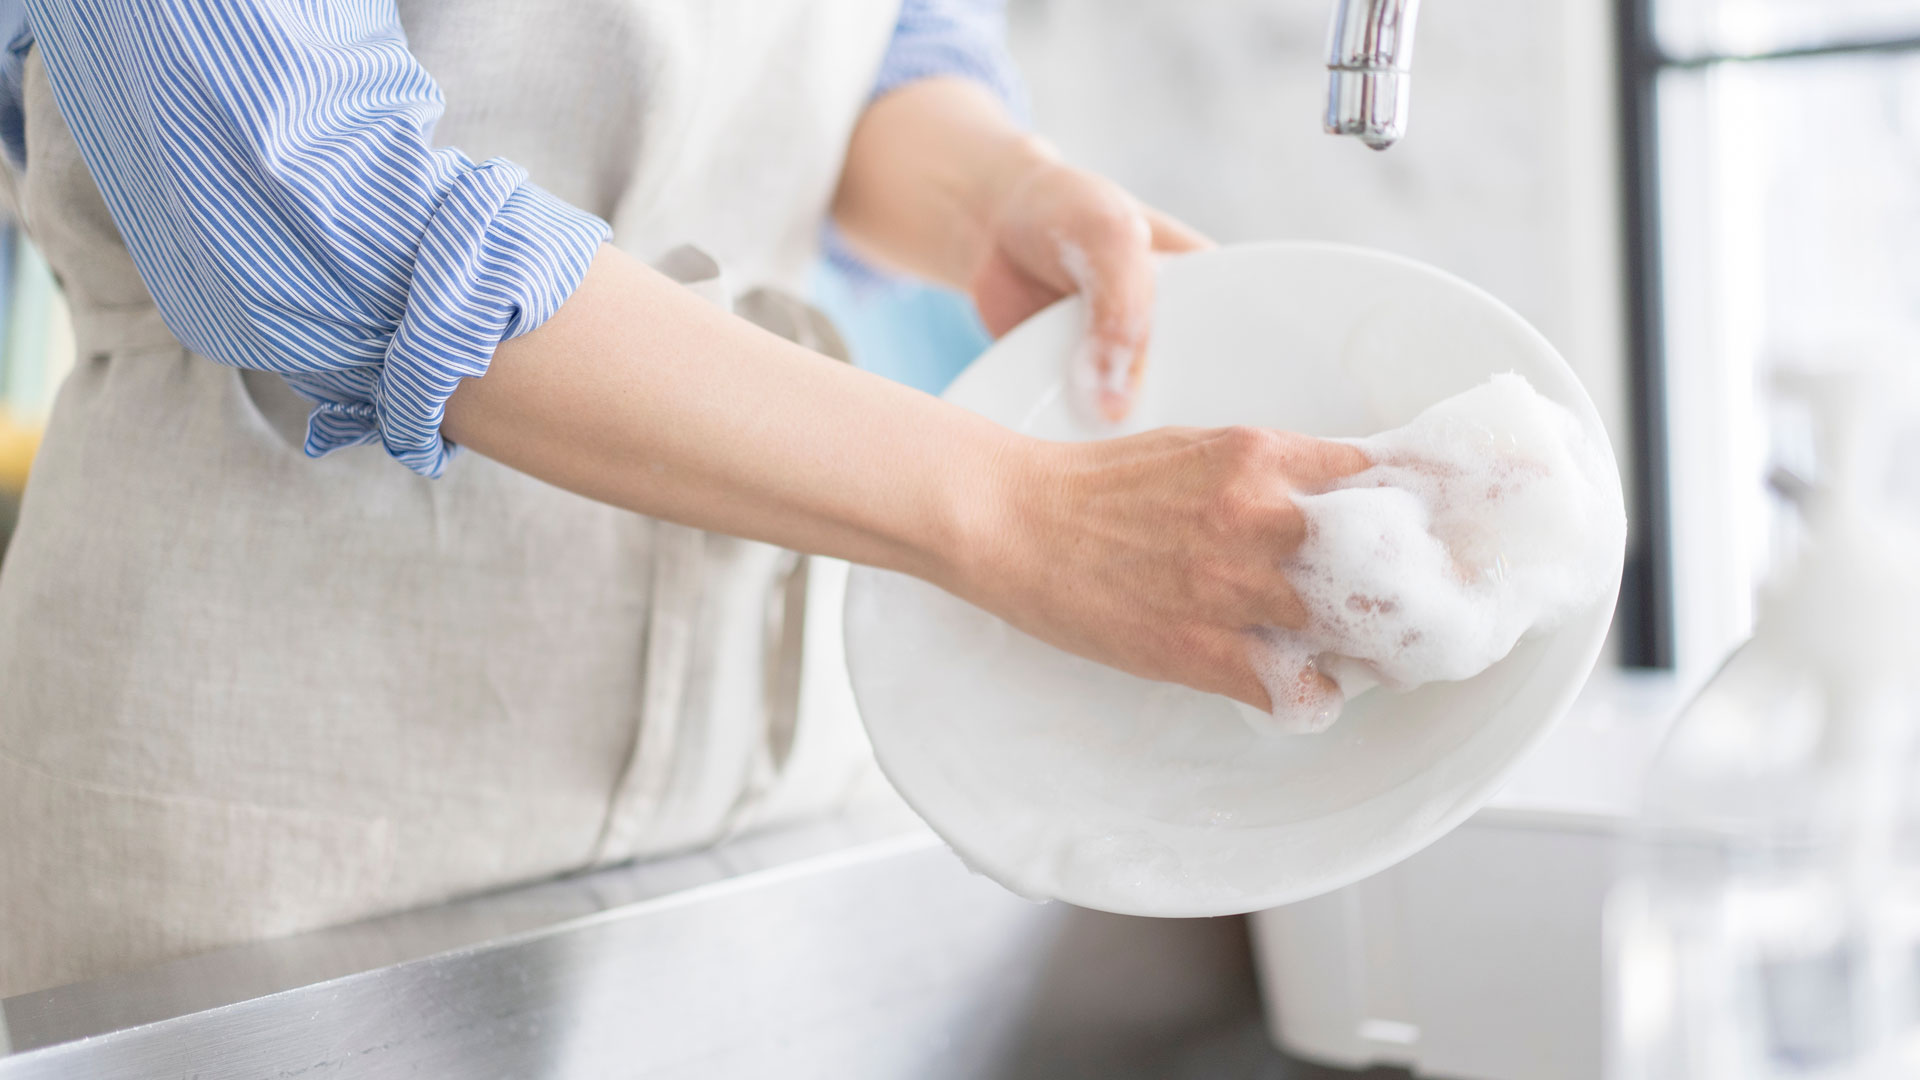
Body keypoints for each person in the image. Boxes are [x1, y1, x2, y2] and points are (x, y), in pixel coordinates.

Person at [0, 0, 1364, 996]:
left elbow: (878, 48)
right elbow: (318, 206)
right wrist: (1017, 511)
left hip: (763, 759)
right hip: (284, 765)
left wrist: (992, 187)